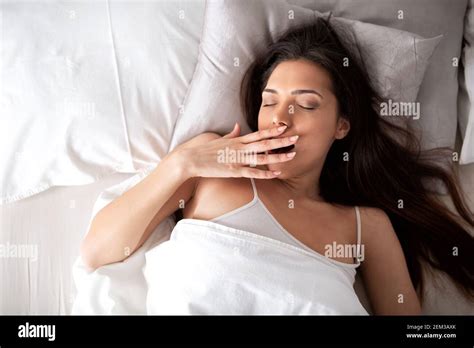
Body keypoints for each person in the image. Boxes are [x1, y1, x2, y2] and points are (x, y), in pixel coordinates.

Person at [80, 17, 474, 315]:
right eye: (269, 101)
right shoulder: (207, 170)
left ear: (342, 126)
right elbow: (98, 251)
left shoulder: (365, 226)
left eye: (305, 104)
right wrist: (182, 163)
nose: (280, 119)